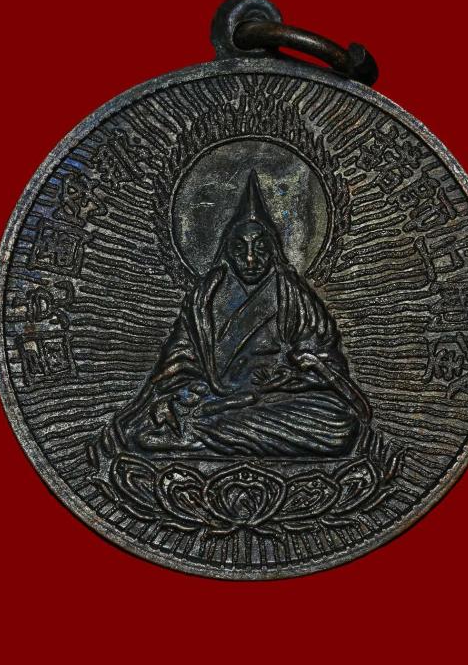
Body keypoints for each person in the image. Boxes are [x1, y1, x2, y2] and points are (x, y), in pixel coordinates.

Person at [109, 170, 371, 457]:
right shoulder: (203, 297)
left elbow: (324, 359)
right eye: (240, 249)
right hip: (211, 400)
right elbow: (178, 360)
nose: (250, 259)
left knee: (339, 425)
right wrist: (187, 389)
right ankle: (202, 430)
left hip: (276, 401)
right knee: (148, 425)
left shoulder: (291, 292)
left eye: (260, 248)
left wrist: (292, 378)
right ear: (226, 251)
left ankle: (198, 434)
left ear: (274, 249)